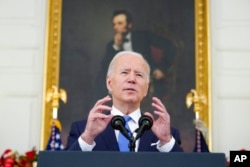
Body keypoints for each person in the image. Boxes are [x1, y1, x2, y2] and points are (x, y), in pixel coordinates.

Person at [66, 51, 183, 152]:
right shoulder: (83, 130)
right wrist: (88, 137)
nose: (132, 79)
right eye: (124, 72)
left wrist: (166, 141)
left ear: (146, 88)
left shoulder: (166, 135)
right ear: (109, 83)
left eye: (139, 74)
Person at [93, 9, 176, 103]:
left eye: (119, 23)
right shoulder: (111, 45)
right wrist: (116, 47)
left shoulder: (143, 36)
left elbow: (170, 46)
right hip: (122, 81)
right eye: (114, 24)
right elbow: (105, 68)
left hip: (147, 77)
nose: (116, 27)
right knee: (100, 81)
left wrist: (162, 68)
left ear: (129, 25)